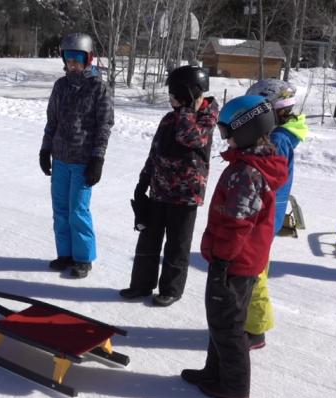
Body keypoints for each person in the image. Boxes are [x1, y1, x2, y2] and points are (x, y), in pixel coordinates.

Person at [180, 95, 288, 398]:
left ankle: (235, 385)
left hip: (234, 262)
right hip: (243, 261)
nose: (224, 138)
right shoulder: (252, 165)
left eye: (227, 132)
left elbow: (237, 223)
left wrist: (222, 262)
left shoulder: (247, 172)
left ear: (245, 130)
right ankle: (213, 372)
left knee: (227, 325)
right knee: (221, 320)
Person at [120, 66, 219, 307]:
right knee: (148, 239)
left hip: (186, 195)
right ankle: (141, 284)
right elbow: (154, 153)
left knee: (177, 244)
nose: (170, 97)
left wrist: (187, 111)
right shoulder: (169, 118)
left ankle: (172, 289)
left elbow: (190, 137)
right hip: (160, 190)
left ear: (189, 93)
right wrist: (143, 182)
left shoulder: (206, 120)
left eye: (175, 93)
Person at [39, 33, 114, 279]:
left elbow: (104, 126)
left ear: (88, 59)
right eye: (68, 60)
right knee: (60, 209)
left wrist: (98, 158)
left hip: (83, 161)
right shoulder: (60, 86)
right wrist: (45, 149)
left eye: (76, 60)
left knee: (77, 211)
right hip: (60, 159)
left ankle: (83, 258)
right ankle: (66, 254)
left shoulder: (98, 88)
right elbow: (52, 121)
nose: (71, 65)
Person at [243, 79, 309, 350]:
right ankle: (246, 321)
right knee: (251, 270)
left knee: (252, 272)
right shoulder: (276, 134)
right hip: (263, 213)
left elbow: (268, 179)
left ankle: (255, 331)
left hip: (263, 215)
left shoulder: (279, 139)